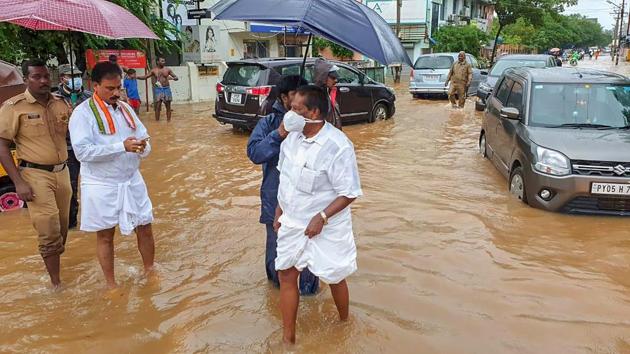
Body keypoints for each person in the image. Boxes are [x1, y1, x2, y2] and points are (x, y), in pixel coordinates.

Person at [274, 85, 362, 344]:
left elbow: (350, 191)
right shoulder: (291, 138)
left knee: (335, 275)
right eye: (290, 108)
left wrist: (321, 217)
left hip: (328, 225)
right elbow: (284, 177)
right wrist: (279, 211)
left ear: (313, 113)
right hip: (293, 221)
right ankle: (288, 339)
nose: (290, 114)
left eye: (296, 109)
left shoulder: (338, 146)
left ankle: (344, 323)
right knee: (286, 274)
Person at [69, 62, 155, 289]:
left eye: (119, 87)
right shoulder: (82, 114)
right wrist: (121, 147)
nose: (116, 93)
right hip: (101, 183)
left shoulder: (125, 109)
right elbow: (82, 152)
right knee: (106, 235)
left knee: (145, 226)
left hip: (131, 178)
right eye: (110, 88)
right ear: (95, 86)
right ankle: (111, 284)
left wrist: (143, 147)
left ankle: (150, 271)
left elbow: (144, 135)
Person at [0, 59, 72, 288]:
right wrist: (18, 182)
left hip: (63, 172)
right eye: (36, 77)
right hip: (34, 173)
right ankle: (56, 284)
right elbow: (1, 145)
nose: (42, 81)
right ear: (26, 79)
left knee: (62, 224)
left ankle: (54, 263)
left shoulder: (61, 103)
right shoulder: (14, 107)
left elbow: (73, 134)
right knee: (48, 225)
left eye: (45, 76)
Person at [247, 75, 319, 296]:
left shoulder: (313, 124)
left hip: (308, 204)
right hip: (274, 200)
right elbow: (255, 153)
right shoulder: (268, 123)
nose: (299, 101)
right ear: (283, 98)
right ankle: (276, 302)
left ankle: (308, 301)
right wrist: (280, 134)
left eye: (302, 96)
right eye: (294, 96)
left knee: (309, 259)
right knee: (277, 258)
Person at [58, 64, 93, 229]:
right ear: (62, 79)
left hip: (90, 148)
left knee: (94, 185)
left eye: (77, 76)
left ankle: (94, 222)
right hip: (68, 149)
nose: (75, 80)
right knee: (70, 188)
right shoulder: (54, 99)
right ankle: (71, 224)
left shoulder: (89, 97)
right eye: (71, 76)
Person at [137, 57, 178, 122]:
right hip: (158, 89)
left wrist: (174, 78)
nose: (163, 62)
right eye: (162, 61)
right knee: (157, 107)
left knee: (168, 107)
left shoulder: (167, 70)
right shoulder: (154, 70)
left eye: (164, 61)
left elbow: (175, 77)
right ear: (158, 62)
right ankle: (157, 122)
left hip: (166, 89)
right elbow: (145, 77)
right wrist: (136, 77)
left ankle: (168, 122)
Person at [313, 59, 343, 130]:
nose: (336, 80)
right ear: (323, 77)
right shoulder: (317, 98)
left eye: (336, 77)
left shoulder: (329, 92)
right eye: (333, 77)